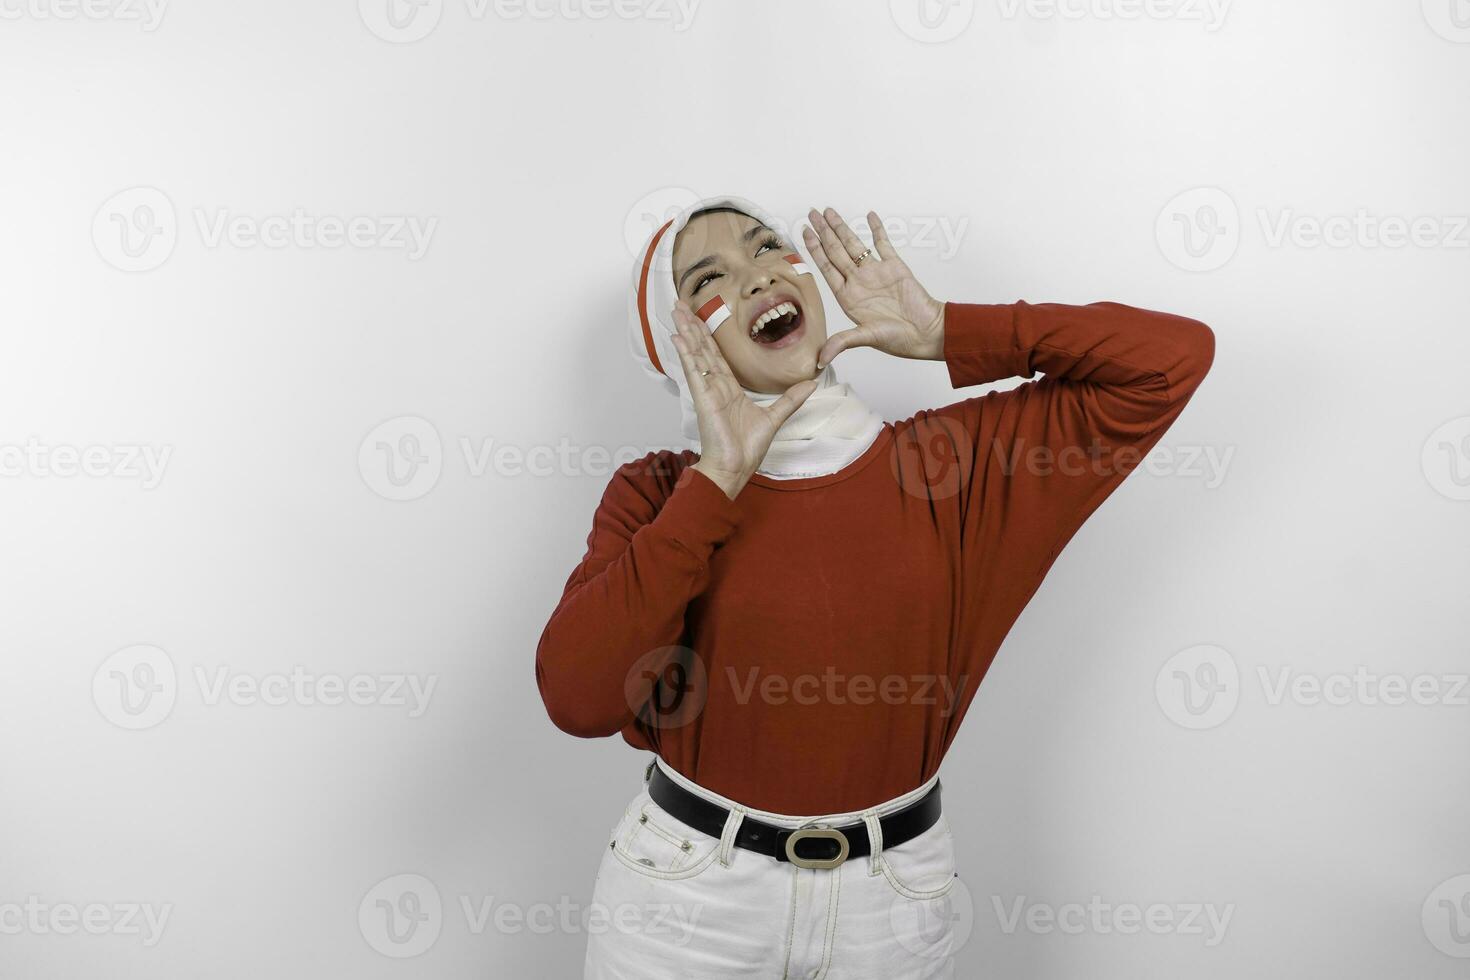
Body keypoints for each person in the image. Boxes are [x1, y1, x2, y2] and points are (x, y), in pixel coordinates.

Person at [535, 195, 1215, 977]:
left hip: (892, 908)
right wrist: (718, 479)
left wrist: (947, 332)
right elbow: (578, 699)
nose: (757, 278)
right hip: (686, 908)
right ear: (674, 344)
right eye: (708, 278)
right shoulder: (658, 496)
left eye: (767, 248)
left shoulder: (949, 471)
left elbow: (1170, 361)